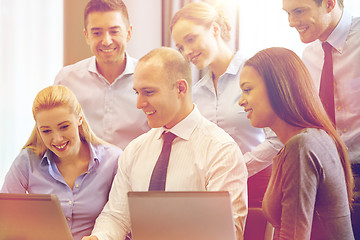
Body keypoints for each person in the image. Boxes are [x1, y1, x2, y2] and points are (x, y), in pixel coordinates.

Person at [81, 47, 248, 240]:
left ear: (180, 89)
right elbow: (117, 216)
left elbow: (226, 235)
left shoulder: (220, 150)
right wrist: (98, 238)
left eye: (148, 92)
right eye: (137, 92)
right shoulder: (136, 149)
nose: (139, 103)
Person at [170, 2, 283, 207]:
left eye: (190, 39)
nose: (186, 51)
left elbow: (278, 140)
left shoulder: (257, 72)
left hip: (259, 188)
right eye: (180, 47)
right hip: (211, 192)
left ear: (214, 29)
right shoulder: (195, 92)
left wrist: (235, 169)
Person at [239, 47, 354, 239]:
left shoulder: (301, 146)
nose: (241, 101)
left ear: (278, 86)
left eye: (247, 90)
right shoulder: (313, 138)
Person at [1, 85, 121, 240]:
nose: (57, 139)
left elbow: (122, 218)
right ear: (38, 129)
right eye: (46, 131)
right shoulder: (27, 161)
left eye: (64, 127)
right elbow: (5, 218)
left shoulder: (112, 160)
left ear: (79, 119)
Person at [282, 0, 360, 237]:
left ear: (329, 3)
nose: (291, 22)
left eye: (299, 11)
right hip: (331, 176)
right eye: (288, 13)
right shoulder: (309, 56)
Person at [55, 0, 149, 150]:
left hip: (136, 171)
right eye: (97, 33)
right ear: (87, 36)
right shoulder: (66, 80)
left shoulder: (150, 78)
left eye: (114, 31)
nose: (106, 41)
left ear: (128, 33)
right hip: (84, 173)